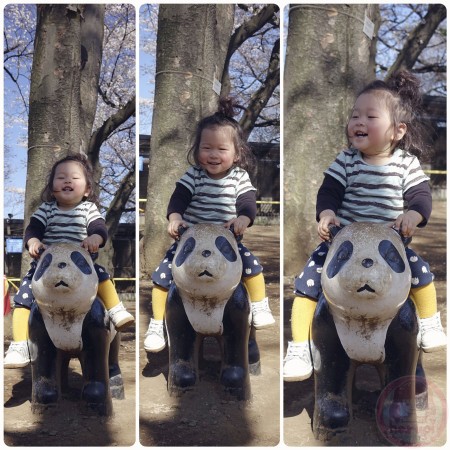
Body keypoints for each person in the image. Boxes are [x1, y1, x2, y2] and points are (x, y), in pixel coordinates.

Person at [283, 70, 447, 381]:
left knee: (421, 273)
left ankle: (428, 322)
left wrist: (413, 216)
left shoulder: (406, 164)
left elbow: (421, 196)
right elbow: (329, 190)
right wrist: (327, 214)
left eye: (370, 116)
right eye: (355, 115)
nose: (358, 122)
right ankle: (300, 345)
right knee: (306, 283)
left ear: (397, 131)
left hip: (389, 247)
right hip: (344, 246)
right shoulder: (346, 160)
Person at [144, 97, 275, 352]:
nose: (213, 155)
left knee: (252, 266)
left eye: (221, 149)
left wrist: (243, 219)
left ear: (236, 154)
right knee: (161, 276)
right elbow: (178, 198)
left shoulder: (239, 177)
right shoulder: (194, 175)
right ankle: (158, 322)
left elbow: (248, 202)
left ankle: (259, 305)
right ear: (197, 149)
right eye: (207, 148)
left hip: (227, 242)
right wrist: (175, 218)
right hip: (190, 243)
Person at [4, 153, 134, 368]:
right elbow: (33, 229)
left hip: (81, 267)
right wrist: (34, 241)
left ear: (87, 190)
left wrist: (95, 238)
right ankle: (19, 344)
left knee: (101, 275)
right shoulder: (46, 210)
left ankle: (115, 308)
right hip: (48, 268)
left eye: (74, 178)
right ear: (51, 186)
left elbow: (98, 227)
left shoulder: (88, 209)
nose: (67, 181)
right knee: (24, 297)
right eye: (61, 177)